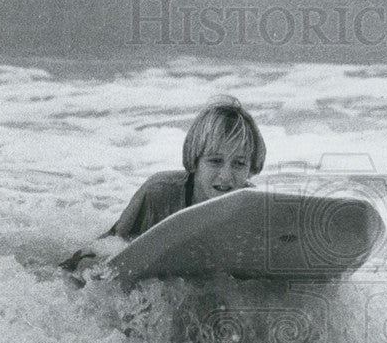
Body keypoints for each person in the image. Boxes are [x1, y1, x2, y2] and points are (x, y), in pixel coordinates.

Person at [60, 95, 266, 273]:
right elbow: (108, 248)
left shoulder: (254, 207)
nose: (226, 176)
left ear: (251, 167)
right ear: (195, 161)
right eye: (215, 161)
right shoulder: (159, 192)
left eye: (239, 164)